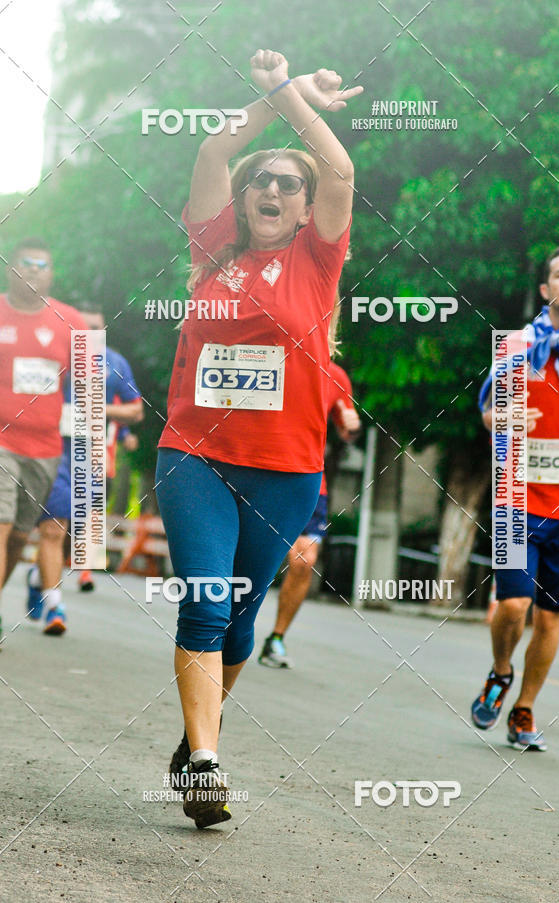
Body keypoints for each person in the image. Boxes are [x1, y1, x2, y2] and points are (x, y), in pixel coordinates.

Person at [155, 49, 362, 827]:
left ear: (308, 209)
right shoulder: (212, 250)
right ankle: (206, 763)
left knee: (239, 619)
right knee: (206, 605)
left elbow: (339, 170)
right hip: (195, 457)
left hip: (286, 469)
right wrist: (274, 98)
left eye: (288, 184)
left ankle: (194, 734)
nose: (273, 189)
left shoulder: (317, 259)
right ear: (241, 202)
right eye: (262, 182)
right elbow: (214, 149)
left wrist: (293, 95)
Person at [472, 245, 559, 751]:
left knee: (550, 616)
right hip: (514, 497)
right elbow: (487, 414)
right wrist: (504, 419)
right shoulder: (516, 347)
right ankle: (500, 670)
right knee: (513, 604)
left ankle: (523, 710)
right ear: (546, 289)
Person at [25, 304, 143, 632]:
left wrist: (99, 409)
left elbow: (136, 411)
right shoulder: (52, 355)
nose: (90, 335)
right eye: (84, 327)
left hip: (91, 457)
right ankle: (54, 606)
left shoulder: (114, 363)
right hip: (50, 452)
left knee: (74, 530)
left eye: (96, 329)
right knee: (52, 527)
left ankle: (39, 575)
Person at [0, 239, 88, 644]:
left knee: (19, 536)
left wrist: (91, 454)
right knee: (0, 527)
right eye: (26, 263)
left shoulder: (73, 323)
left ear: (51, 274)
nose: (34, 270)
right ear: (12, 270)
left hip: (45, 449)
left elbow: (91, 390)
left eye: (42, 264)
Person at [259, 360, 360, 667]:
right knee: (247, 556)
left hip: (310, 479)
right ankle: (223, 631)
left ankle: (276, 639)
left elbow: (348, 431)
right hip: (260, 471)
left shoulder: (336, 375)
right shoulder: (270, 356)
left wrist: (350, 426)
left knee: (304, 561)